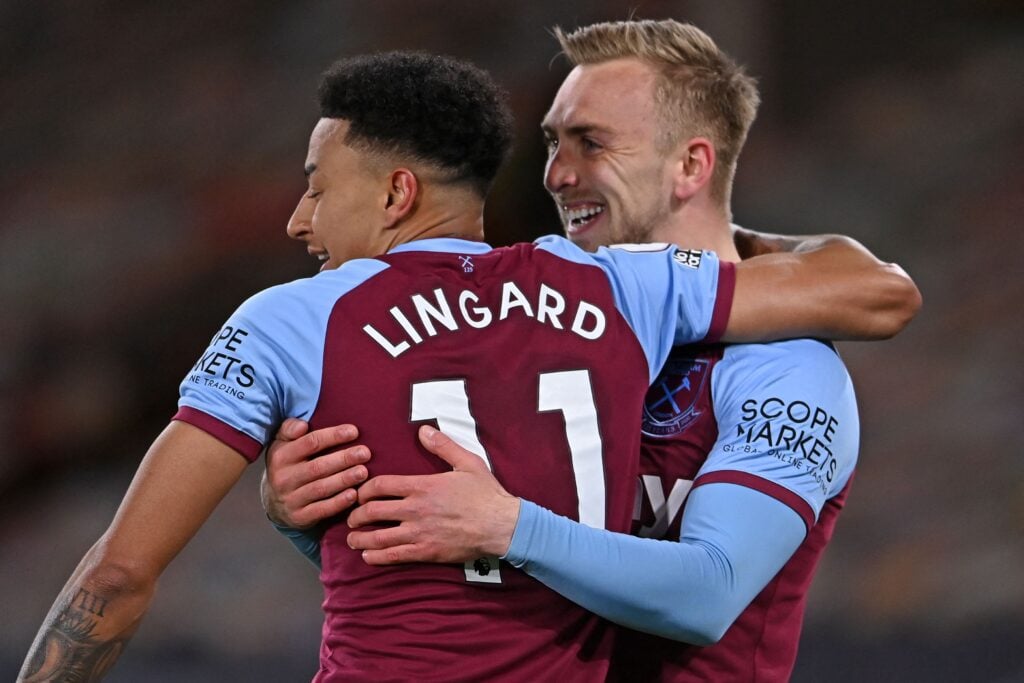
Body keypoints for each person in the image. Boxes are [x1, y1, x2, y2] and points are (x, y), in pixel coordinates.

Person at [16, 51, 911, 683]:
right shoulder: (622, 287)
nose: (297, 219)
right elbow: (871, 292)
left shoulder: (289, 320)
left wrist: (501, 523)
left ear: (396, 193)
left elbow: (118, 574)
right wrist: (301, 519)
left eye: (317, 186)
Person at [261, 20, 922, 683]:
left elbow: (709, 593)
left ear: (691, 166)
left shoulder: (783, 368)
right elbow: (457, 575)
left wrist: (513, 526)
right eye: (553, 142)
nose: (556, 174)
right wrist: (305, 514)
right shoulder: (518, 329)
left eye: (591, 143)